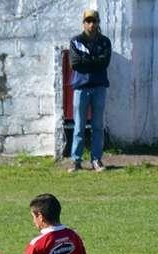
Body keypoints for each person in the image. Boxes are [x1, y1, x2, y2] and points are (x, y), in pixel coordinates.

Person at [68, 9, 112, 173]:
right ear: (83, 23)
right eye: (88, 21)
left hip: (99, 87)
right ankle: (76, 161)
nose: (91, 24)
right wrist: (94, 61)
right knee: (79, 126)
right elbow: (75, 64)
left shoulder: (105, 42)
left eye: (94, 21)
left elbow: (104, 63)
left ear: (98, 22)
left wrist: (86, 61)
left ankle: (96, 160)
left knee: (98, 126)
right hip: (81, 88)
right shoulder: (76, 41)